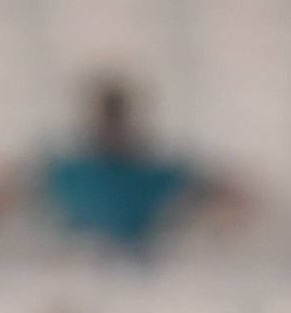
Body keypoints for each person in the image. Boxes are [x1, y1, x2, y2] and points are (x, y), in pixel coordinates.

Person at [33, 79, 239, 256]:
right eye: (106, 120)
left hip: (142, 265)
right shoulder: (70, 173)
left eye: (117, 120)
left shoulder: (153, 176)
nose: (111, 129)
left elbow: (225, 192)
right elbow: (16, 189)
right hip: (84, 261)